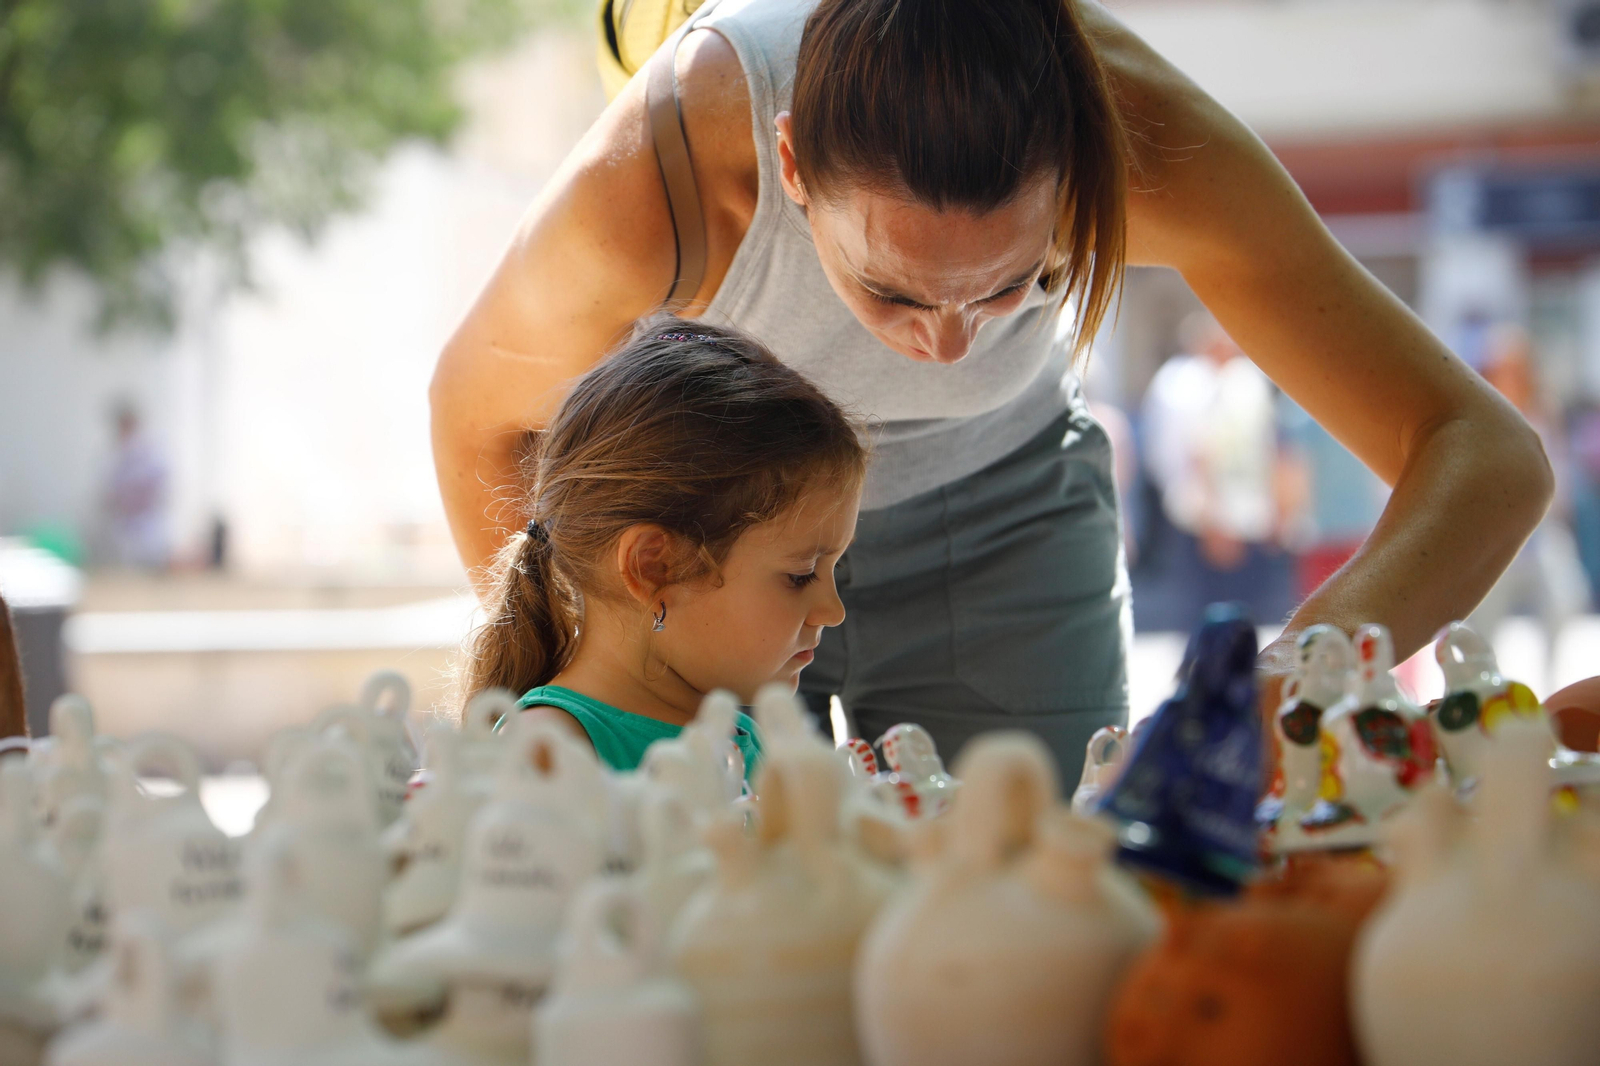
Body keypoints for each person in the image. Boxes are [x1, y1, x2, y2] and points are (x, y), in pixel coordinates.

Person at [431, 0, 1551, 779]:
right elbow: (477, 416)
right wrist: (589, 655)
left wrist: (1287, 679)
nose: (948, 344)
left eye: (1018, 282)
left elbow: (1485, 455)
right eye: (894, 293)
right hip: (719, 544)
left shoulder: (1149, 138)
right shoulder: (657, 179)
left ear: (1084, 170)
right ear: (786, 167)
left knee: (1042, 901)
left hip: (1003, 499)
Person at [460, 321, 867, 774]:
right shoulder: (547, 754)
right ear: (654, 567)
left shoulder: (738, 736)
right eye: (801, 575)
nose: (833, 611)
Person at [1139, 312, 1297, 627]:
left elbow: (1266, 447)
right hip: (1203, 516)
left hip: (1241, 514)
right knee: (1204, 611)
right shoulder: (1187, 383)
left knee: (1244, 608)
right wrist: (1213, 516)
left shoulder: (1244, 380)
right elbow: (1198, 454)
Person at [103, 401, 170, 570]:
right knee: (125, 562)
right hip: (123, 518)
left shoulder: (147, 449)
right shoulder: (114, 451)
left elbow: (158, 477)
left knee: (150, 557)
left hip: (145, 515)